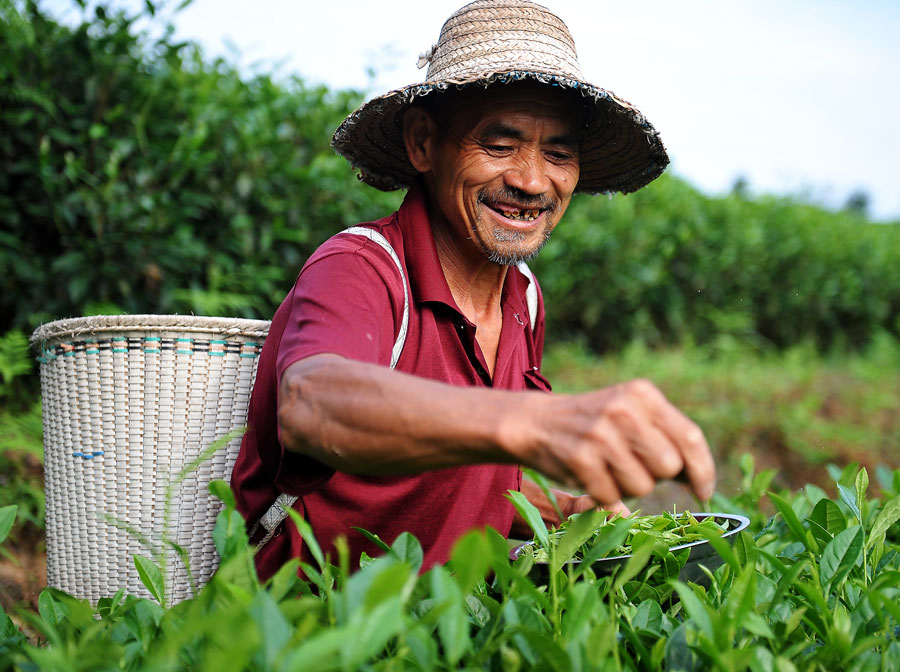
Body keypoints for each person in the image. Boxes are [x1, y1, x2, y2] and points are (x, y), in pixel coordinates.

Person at [231, 0, 715, 581]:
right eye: (499, 144)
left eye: (558, 153)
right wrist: (533, 424)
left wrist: (564, 511)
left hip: (446, 620)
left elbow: (469, 476)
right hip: (316, 624)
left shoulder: (525, 298)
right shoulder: (361, 266)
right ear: (423, 144)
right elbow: (313, 406)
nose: (533, 181)